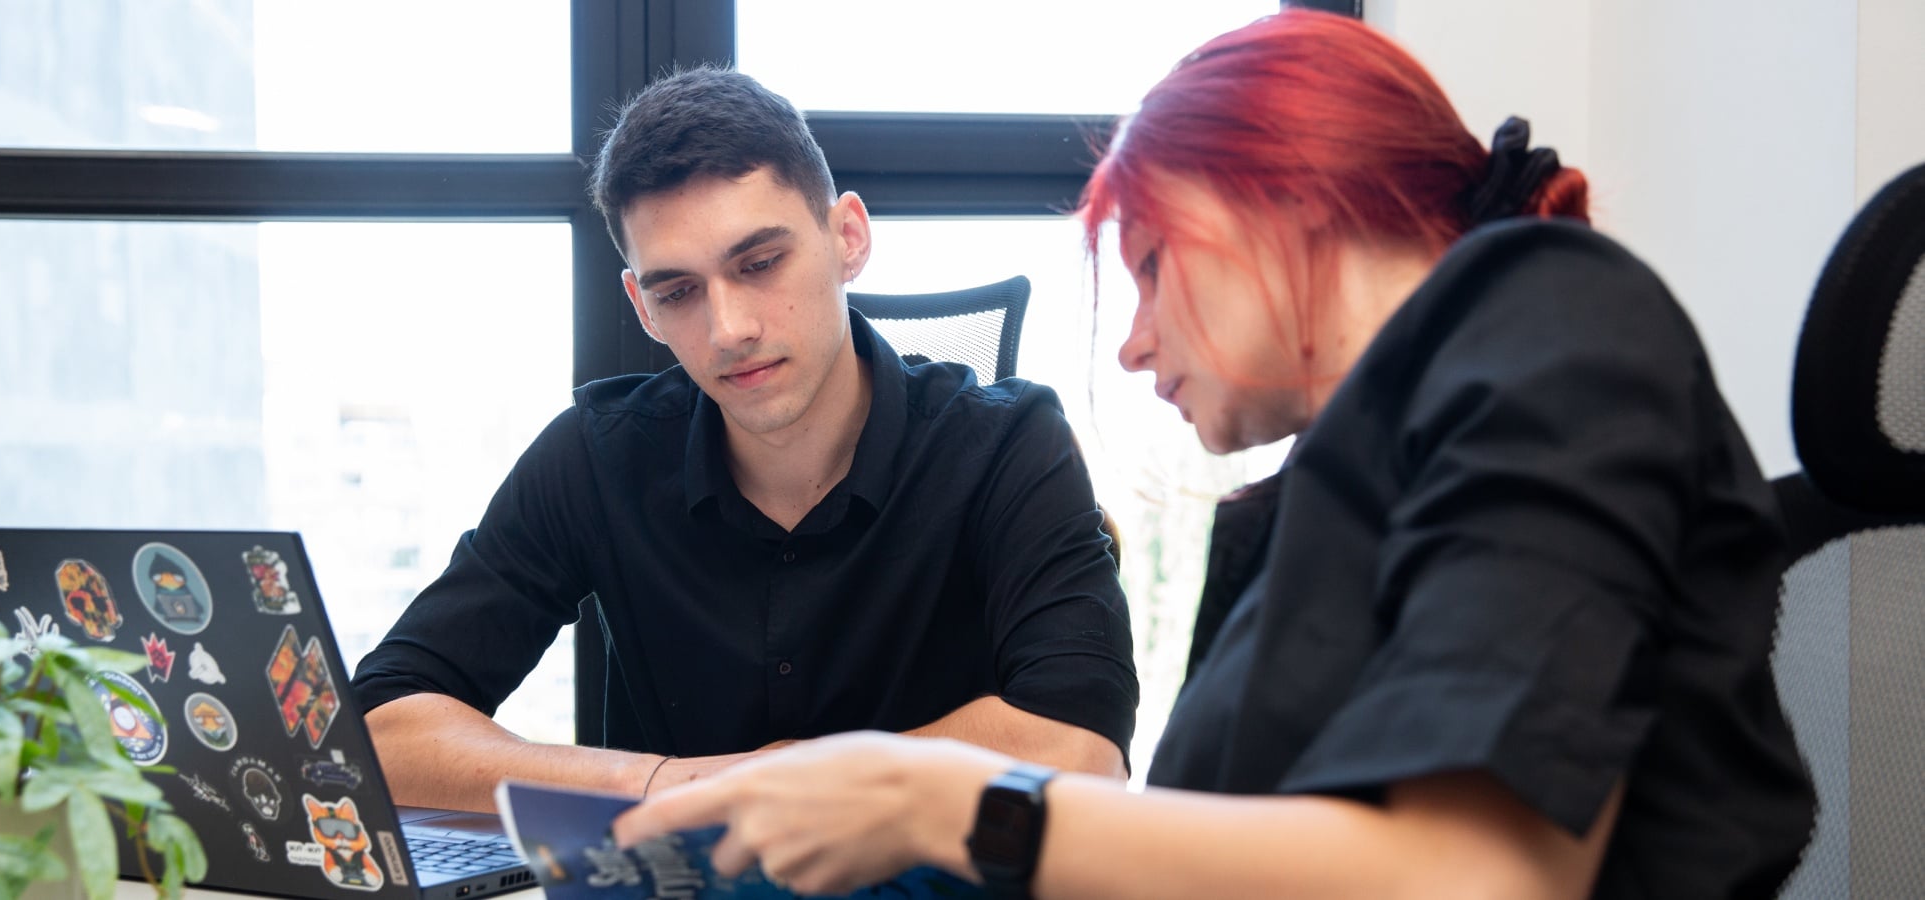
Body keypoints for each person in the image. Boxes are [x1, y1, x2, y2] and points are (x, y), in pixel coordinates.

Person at [613, 12, 1815, 899]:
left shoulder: (1551, 328)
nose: (1135, 347)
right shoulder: (1336, 494)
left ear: (1282, 199)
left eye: (1149, 268)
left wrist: (940, 802)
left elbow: (1473, 877)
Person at [348, 66, 1139, 812]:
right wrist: (666, 786)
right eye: (679, 291)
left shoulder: (1010, 443)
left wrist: (783, 787)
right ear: (643, 307)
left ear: (848, 237)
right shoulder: (598, 454)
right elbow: (385, 725)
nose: (729, 330)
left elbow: (1082, 749)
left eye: (759, 262)